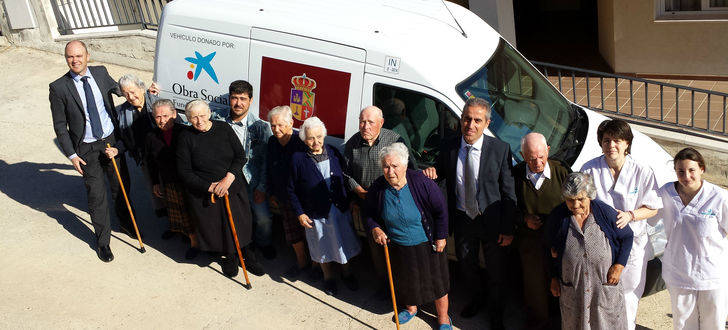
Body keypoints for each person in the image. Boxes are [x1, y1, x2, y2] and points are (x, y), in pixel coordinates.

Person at [425, 97, 517, 328]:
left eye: (477, 120)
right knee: (467, 265)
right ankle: (477, 299)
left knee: (497, 271)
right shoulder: (449, 146)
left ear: (487, 123)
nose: (471, 125)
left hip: (492, 221)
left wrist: (507, 228)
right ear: (461, 119)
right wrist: (432, 171)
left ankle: (496, 312)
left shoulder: (500, 149)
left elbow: (509, 193)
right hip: (463, 219)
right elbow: (442, 173)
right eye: (467, 119)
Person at [49, 40, 130, 262]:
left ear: (87, 55)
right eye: (70, 57)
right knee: (96, 196)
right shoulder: (58, 87)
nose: (75, 60)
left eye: (78, 56)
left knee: (120, 186)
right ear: (66, 59)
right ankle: (103, 242)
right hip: (86, 147)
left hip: (110, 140)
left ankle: (126, 223)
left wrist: (138, 91)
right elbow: (59, 126)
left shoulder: (101, 72)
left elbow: (119, 90)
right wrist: (72, 155)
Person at [580, 119, 662, 330]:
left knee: (629, 297)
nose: (611, 145)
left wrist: (631, 215)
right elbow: (580, 204)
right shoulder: (589, 169)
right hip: (600, 246)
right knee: (600, 296)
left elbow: (653, 208)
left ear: (627, 144)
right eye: (606, 140)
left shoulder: (642, 171)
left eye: (617, 140)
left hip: (634, 246)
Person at [364, 143, 451, 329]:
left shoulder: (422, 182)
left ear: (405, 165)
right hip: (398, 244)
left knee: (437, 282)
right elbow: (369, 213)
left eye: (395, 166)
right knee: (405, 280)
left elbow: (441, 210)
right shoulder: (378, 188)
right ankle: (411, 308)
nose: (390, 171)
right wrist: (375, 228)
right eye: (386, 166)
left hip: (428, 243)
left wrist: (441, 236)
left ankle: (443, 317)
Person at [176, 99, 263, 277]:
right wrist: (211, 187)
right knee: (220, 227)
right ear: (188, 119)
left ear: (209, 114)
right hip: (207, 191)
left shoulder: (223, 129)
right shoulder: (185, 138)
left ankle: (247, 254)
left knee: (242, 223)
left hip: (232, 185)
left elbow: (240, 157)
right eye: (193, 117)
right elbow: (184, 172)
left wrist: (227, 180)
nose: (199, 121)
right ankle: (230, 256)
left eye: (202, 115)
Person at [547, 172, 633, 330]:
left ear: (590, 196)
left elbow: (627, 236)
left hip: (602, 288)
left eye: (580, 199)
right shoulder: (558, 217)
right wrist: (553, 277)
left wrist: (619, 265)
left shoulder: (605, 213)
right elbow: (549, 249)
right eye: (570, 200)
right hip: (574, 288)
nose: (575, 205)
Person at [654, 148, 728, 330]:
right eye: (681, 171)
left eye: (691, 170)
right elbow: (647, 212)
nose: (686, 176)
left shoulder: (719, 197)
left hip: (712, 275)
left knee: (714, 323)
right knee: (683, 323)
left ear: (702, 169)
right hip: (679, 272)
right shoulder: (666, 193)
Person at [288, 117, 361, 296]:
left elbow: (345, 178)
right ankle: (328, 277)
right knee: (321, 248)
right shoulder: (298, 159)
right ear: (305, 139)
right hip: (315, 213)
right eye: (311, 138)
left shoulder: (334, 152)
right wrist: (300, 213)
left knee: (341, 243)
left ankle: (347, 273)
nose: (316, 141)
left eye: (319, 137)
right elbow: (291, 189)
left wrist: (351, 200)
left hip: (338, 209)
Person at [343, 105, 412, 295]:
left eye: (370, 122)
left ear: (381, 123)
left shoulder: (394, 141)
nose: (365, 126)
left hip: (394, 204)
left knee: (399, 246)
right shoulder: (352, 144)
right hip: (369, 206)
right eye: (362, 121)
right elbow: (346, 173)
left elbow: (410, 168)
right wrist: (357, 189)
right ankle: (384, 285)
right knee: (376, 248)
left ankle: (403, 289)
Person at [512, 132, 571, 329]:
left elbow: (576, 204)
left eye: (541, 157)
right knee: (535, 289)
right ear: (522, 155)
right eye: (531, 158)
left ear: (548, 151)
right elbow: (508, 208)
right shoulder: (516, 175)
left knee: (562, 286)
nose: (537, 162)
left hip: (558, 242)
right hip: (530, 245)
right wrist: (524, 219)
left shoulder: (562, 172)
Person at [225, 80, 275, 261]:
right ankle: (239, 247)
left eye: (243, 99)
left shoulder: (261, 127)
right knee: (235, 216)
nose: (238, 103)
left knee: (263, 218)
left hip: (252, 181)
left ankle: (264, 244)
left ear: (251, 100)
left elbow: (266, 160)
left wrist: (261, 187)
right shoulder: (219, 121)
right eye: (234, 98)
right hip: (229, 179)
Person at [107, 73, 164, 228]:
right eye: (126, 94)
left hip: (164, 155)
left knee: (172, 190)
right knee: (156, 191)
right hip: (145, 158)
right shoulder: (123, 113)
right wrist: (117, 150)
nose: (131, 97)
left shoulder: (156, 102)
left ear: (141, 87)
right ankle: (170, 225)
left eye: (133, 91)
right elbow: (126, 139)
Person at [145, 99, 197, 258]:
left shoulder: (185, 133)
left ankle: (195, 243)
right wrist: (155, 182)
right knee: (174, 208)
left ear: (174, 114)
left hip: (186, 181)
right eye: (158, 117)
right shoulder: (151, 136)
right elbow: (150, 162)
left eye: (165, 115)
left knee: (190, 212)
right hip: (167, 180)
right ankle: (178, 230)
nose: (162, 120)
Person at [265, 105, 310, 277]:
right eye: (273, 125)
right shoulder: (271, 142)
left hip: (302, 198)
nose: (276, 129)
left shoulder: (301, 143)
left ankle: (315, 267)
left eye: (281, 125)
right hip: (283, 196)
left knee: (308, 233)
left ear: (291, 123)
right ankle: (301, 262)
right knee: (292, 232)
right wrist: (271, 192)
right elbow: (269, 168)